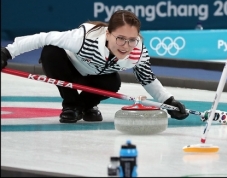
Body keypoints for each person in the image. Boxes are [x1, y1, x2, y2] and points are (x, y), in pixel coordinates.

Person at [1, 10, 188, 123]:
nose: (126, 45)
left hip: (95, 76)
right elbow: (42, 38)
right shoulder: (84, 38)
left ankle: (85, 106)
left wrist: (168, 102)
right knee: (51, 52)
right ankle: (71, 105)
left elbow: (147, 78)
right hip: (67, 68)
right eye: (120, 38)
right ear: (108, 34)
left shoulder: (137, 51)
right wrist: (7, 52)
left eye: (132, 40)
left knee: (113, 83)